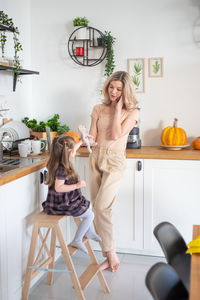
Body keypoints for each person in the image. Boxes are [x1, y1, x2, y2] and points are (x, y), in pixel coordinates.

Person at [89, 71, 139, 272]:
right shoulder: (98, 108)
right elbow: (93, 135)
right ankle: (110, 256)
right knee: (97, 207)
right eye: (111, 87)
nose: (113, 91)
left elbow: (116, 134)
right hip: (96, 157)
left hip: (115, 161)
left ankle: (110, 253)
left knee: (102, 207)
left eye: (119, 89)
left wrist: (118, 109)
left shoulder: (133, 112)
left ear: (125, 91)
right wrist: (85, 140)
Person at [42, 135, 101, 254]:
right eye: (72, 150)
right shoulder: (61, 169)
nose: (74, 152)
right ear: (67, 153)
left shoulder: (62, 160)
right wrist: (76, 185)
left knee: (89, 208)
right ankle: (77, 240)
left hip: (68, 199)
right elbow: (58, 188)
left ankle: (87, 231)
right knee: (89, 216)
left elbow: (73, 149)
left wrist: (81, 141)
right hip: (61, 203)